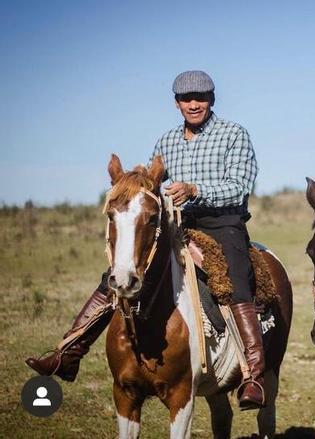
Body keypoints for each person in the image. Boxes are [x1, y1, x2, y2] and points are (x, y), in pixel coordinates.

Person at [26, 70, 266, 410]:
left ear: (212, 99)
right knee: (120, 272)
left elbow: (240, 185)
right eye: (186, 99)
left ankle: (252, 374)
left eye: (201, 97)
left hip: (220, 222)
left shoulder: (233, 135)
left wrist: (195, 190)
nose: (194, 104)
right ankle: (69, 353)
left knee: (236, 279)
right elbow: (151, 182)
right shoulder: (166, 142)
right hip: (171, 224)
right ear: (176, 103)